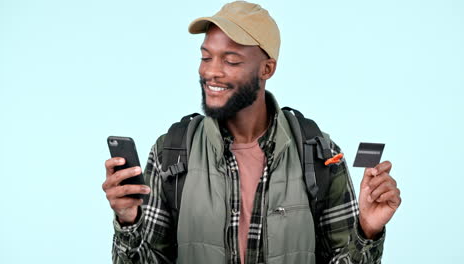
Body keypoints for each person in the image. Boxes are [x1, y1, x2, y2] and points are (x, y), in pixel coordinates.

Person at [102, 1, 401, 263]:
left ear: (267, 69)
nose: (211, 72)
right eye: (206, 57)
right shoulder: (172, 152)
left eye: (231, 60)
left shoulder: (319, 153)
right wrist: (129, 221)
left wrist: (367, 231)